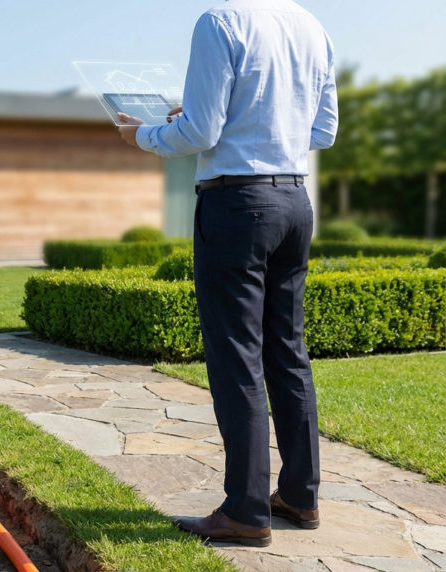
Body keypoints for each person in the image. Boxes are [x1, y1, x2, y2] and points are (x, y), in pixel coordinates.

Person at [116, 0, 338, 547]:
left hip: (237, 205)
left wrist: (142, 135)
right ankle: (300, 496)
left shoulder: (219, 22)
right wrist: (260, 130)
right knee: (287, 349)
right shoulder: (313, 25)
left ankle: (245, 510)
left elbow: (201, 131)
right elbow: (324, 131)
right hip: (293, 201)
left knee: (237, 355)